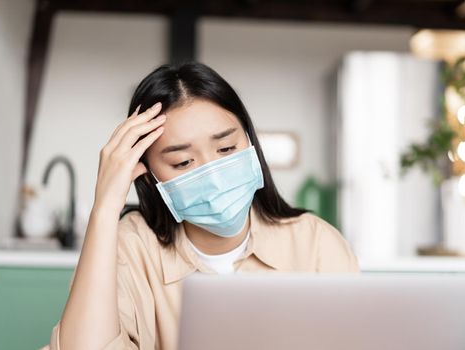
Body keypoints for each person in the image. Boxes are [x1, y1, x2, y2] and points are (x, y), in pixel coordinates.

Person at [42, 61, 359, 350]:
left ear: (250, 143)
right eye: (182, 162)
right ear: (151, 177)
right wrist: (105, 208)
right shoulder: (131, 247)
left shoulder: (317, 244)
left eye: (226, 147)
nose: (213, 174)